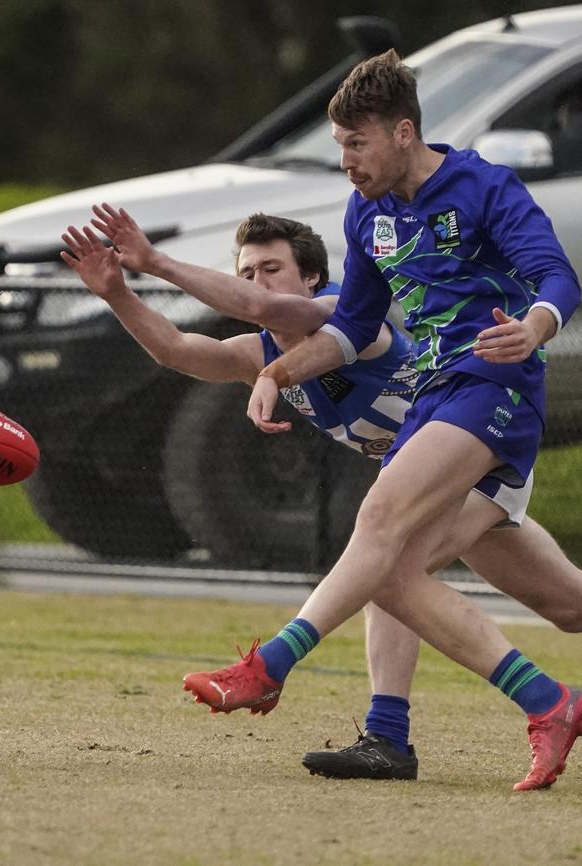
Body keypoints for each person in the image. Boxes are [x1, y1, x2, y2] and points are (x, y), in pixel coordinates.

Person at [60, 205, 582, 787]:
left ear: (311, 277)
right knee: (569, 607)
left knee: (385, 567)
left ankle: (387, 727)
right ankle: (408, 731)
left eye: (272, 268)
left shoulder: (344, 313)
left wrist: (154, 261)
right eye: (247, 271)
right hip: (441, 481)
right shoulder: (261, 353)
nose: (256, 283)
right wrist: (117, 294)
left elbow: (269, 311)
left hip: (476, 447)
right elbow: (178, 350)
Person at [179, 50, 582, 792]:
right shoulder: (367, 213)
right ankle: (543, 703)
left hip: (497, 382)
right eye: (338, 146)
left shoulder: (484, 186)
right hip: (441, 398)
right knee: (418, 578)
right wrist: (274, 371)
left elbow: (558, 275)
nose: (346, 161)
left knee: (379, 522)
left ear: (403, 132)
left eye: (355, 143)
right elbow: (353, 324)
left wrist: (536, 325)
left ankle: (268, 667)